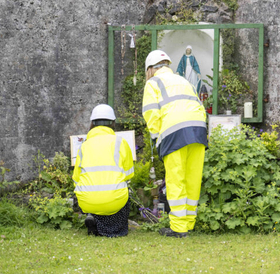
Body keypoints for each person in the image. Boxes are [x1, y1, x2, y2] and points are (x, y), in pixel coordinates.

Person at [142, 50, 207, 238]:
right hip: (198, 129)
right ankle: (189, 223)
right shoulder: (183, 80)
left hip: (173, 130)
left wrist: (156, 138)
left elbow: (151, 113)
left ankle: (178, 228)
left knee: (176, 178)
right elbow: (198, 105)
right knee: (192, 178)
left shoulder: (153, 83)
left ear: (150, 69)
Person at [73, 104, 134, 238]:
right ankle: (114, 230)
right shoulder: (120, 142)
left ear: (92, 123)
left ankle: (93, 219)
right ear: (113, 122)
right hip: (114, 200)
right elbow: (129, 174)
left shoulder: (84, 145)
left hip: (87, 201)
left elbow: (76, 178)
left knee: (93, 198)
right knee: (122, 191)